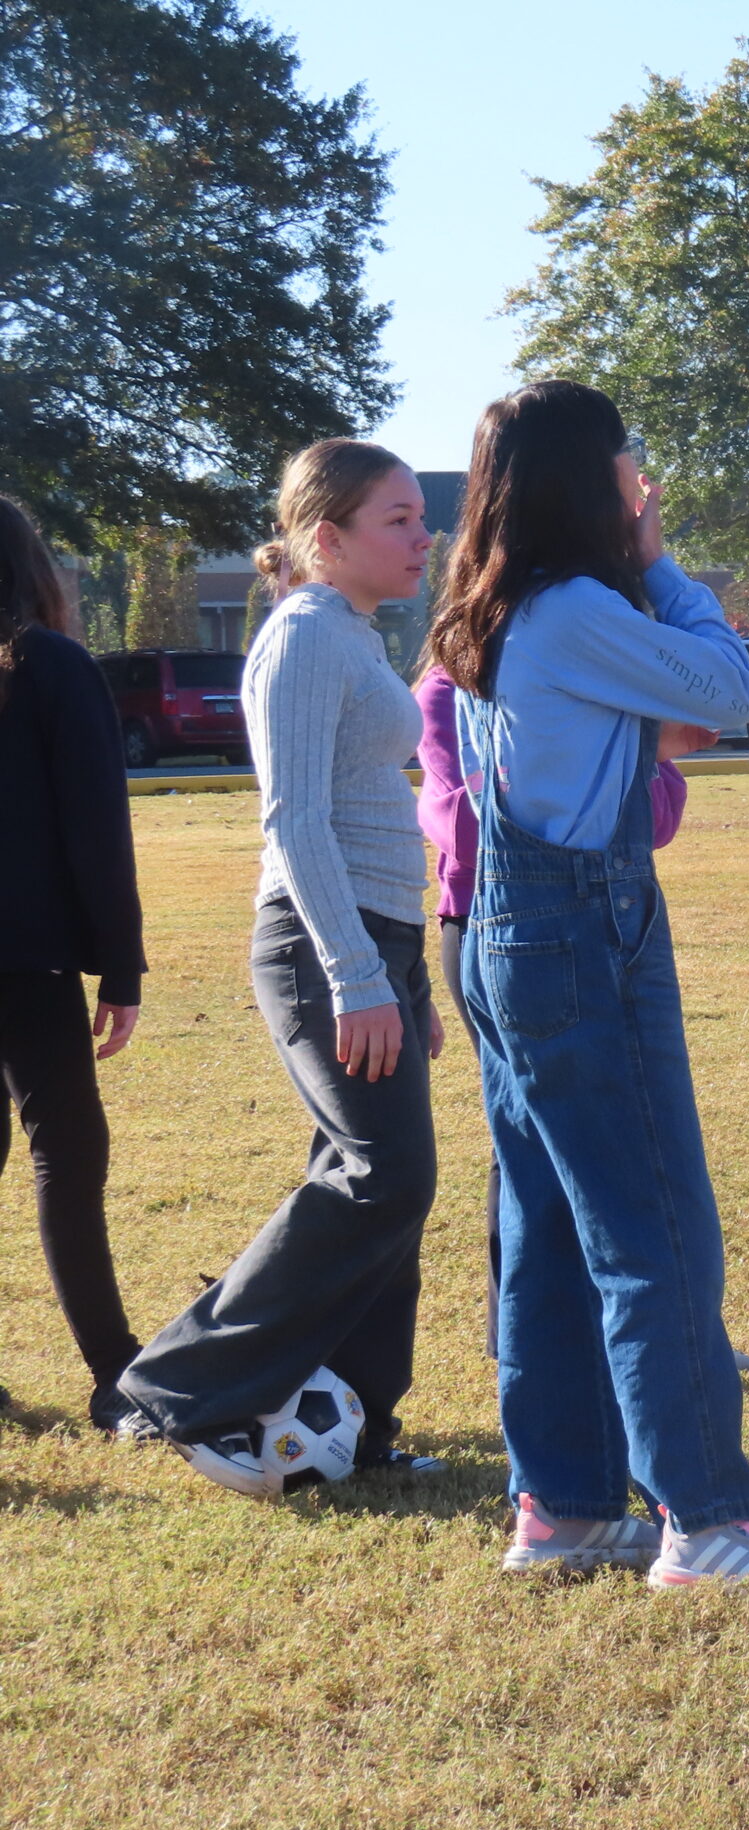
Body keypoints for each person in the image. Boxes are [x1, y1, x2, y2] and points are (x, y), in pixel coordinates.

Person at [432, 379, 749, 1594]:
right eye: (627, 459)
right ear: (588, 479)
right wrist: (659, 565)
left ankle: (561, 1509)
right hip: (581, 940)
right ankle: (704, 1518)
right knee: (654, 1226)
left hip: (509, 938)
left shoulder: (494, 608)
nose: (640, 478)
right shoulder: (574, 607)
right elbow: (725, 689)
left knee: (550, 1230)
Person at [119, 443, 447, 1490]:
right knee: (383, 1176)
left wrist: (406, 979)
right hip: (321, 943)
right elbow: (295, 822)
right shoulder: (303, 637)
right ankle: (172, 1387)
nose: (424, 536)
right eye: (398, 519)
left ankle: (359, 1424)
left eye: (420, 516)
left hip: (375, 940)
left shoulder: (350, 633)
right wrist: (357, 976)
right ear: (326, 538)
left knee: (378, 1181)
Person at [412, 665, 749, 1373]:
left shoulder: (588, 674)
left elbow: (659, 816)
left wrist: (607, 775)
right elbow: (457, 820)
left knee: (616, 1136)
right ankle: (532, 1341)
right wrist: (594, 784)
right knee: (531, 1142)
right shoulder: (451, 689)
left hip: (605, 920)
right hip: (493, 929)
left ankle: (653, 1335)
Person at [0, 495, 147, 1430]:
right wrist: (120, 969)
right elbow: (98, 828)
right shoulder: (49, 665)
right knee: (67, 1153)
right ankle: (113, 1373)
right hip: (24, 957)